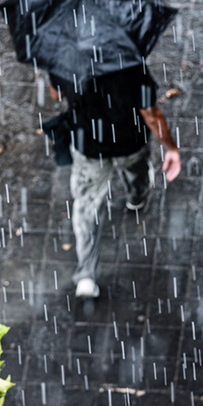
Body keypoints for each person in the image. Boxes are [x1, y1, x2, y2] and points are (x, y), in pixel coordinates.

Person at [49, 64, 181, 298]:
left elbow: (56, 93)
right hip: (130, 142)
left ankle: (87, 276)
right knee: (136, 172)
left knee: (87, 206)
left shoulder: (65, 59)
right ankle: (136, 199)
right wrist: (170, 146)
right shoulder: (128, 64)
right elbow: (150, 113)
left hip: (88, 146)